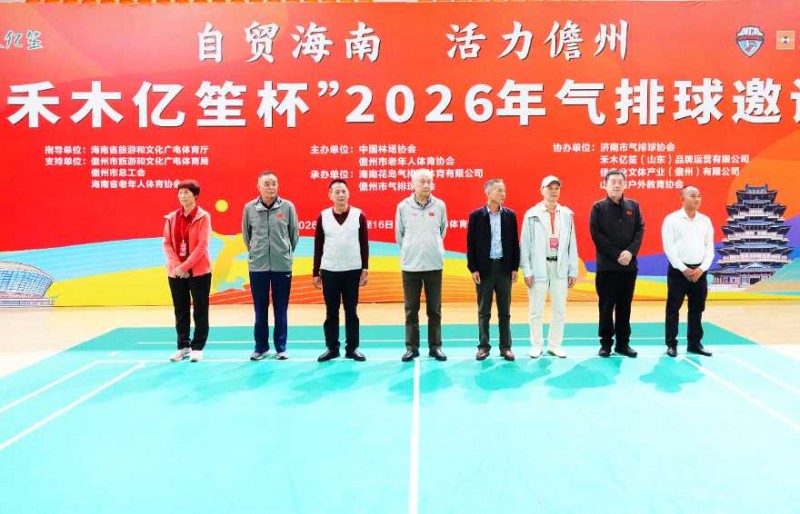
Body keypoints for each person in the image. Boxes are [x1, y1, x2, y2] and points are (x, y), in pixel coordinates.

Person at [519, 175, 579, 359]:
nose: (553, 192)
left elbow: (572, 244)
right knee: (536, 310)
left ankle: (555, 345)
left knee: (559, 310)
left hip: (560, 268)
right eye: (549, 188)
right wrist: (527, 270)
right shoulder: (532, 214)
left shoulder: (566, 214)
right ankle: (536, 345)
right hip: (539, 267)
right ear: (542, 190)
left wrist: (573, 269)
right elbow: (525, 244)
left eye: (556, 188)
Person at [242, 171, 299, 360]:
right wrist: (256, 252)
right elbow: (247, 236)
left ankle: (281, 348)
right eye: (266, 184)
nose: (271, 187)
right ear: (259, 187)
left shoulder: (287, 207)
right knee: (260, 308)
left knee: (280, 308)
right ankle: (261, 347)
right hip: (258, 266)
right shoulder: (250, 208)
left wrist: (285, 253)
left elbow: (294, 234)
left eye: (274, 183)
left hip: (282, 265)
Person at [589, 170, 645, 358]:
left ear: (625, 184)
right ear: (605, 185)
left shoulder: (633, 206)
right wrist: (617, 254)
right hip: (607, 267)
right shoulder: (598, 207)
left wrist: (630, 252)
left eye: (620, 181)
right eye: (612, 181)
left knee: (624, 306)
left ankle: (623, 344)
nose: (616, 185)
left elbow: (639, 231)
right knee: (606, 307)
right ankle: (606, 344)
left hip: (629, 267)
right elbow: (597, 235)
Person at [313, 179, 369, 362]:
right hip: (329, 270)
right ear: (330, 195)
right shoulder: (323, 217)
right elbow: (318, 246)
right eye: (336, 192)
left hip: (353, 270)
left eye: (344, 191)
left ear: (348, 193)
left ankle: (352, 348)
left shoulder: (359, 215)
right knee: (331, 311)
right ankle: (332, 348)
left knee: (351, 311)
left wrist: (365, 268)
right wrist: (315, 272)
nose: (341, 195)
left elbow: (364, 244)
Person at [395, 168, 448, 362]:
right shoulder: (403, 206)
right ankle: (412, 347)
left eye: (429, 181)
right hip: (411, 266)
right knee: (411, 310)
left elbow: (442, 230)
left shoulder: (440, 205)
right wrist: (411, 249)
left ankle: (435, 347)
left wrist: (433, 247)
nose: (426, 185)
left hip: (434, 264)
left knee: (434, 310)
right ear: (413, 184)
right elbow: (399, 235)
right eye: (422, 182)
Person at [466, 179, 520, 361]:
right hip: (484, 270)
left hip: (504, 269)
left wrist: (514, 267)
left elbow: (514, 244)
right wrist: (473, 268)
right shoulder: (476, 216)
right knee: (484, 311)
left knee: (505, 311)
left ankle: (506, 347)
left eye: (504, 190)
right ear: (488, 193)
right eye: (499, 190)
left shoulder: (510, 216)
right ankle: (483, 346)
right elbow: (471, 245)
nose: (503, 194)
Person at [662, 186, 715, 357]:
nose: (697, 199)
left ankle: (694, 344)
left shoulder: (705, 220)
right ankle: (671, 344)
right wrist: (683, 268)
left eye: (699, 196)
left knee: (697, 309)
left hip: (699, 272)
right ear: (682, 198)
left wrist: (702, 268)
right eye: (693, 196)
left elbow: (709, 248)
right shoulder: (671, 220)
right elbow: (669, 248)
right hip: (679, 272)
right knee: (673, 309)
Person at [162, 179, 212, 362]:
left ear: (195, 196)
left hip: (199, 272)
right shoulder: (171, 218)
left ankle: (197, 348)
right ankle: (183, 346)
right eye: (180, 193)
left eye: (186, 193)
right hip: (175, 273)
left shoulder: (203, 217)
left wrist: (185, 266)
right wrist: (177, 266)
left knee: (200, 310)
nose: (182, 196)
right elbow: (167, 243)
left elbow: (202, 245)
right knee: (181, 310)